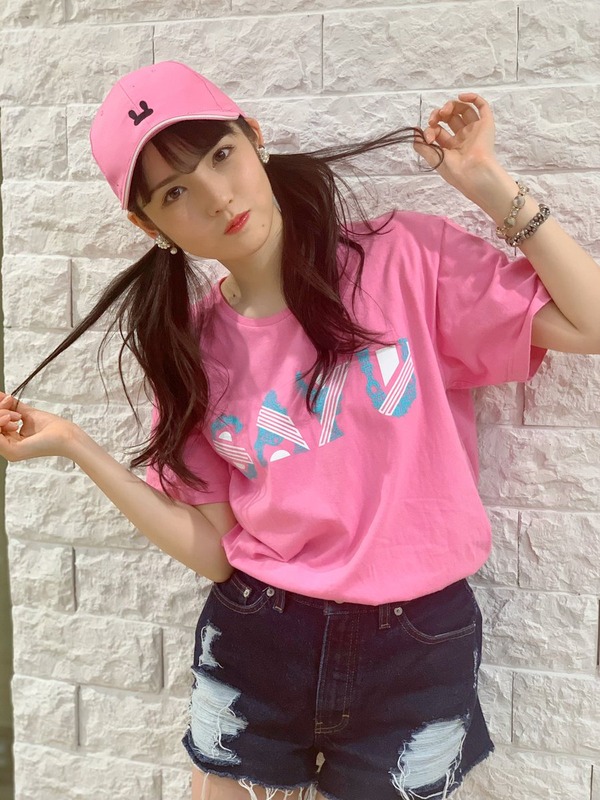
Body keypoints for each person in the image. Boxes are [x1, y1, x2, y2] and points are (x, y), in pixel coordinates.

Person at [1, 60, 599, 800]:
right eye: (175, 192)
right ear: (149, 225)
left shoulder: (402, 259)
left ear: (254, 138)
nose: (217, 197)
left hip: (418, 646)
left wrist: (486, 182)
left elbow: (590, 322)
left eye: (221, 155)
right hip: (260, 635)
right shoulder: (191, 352)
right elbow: (216, 552)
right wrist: (72, 444)